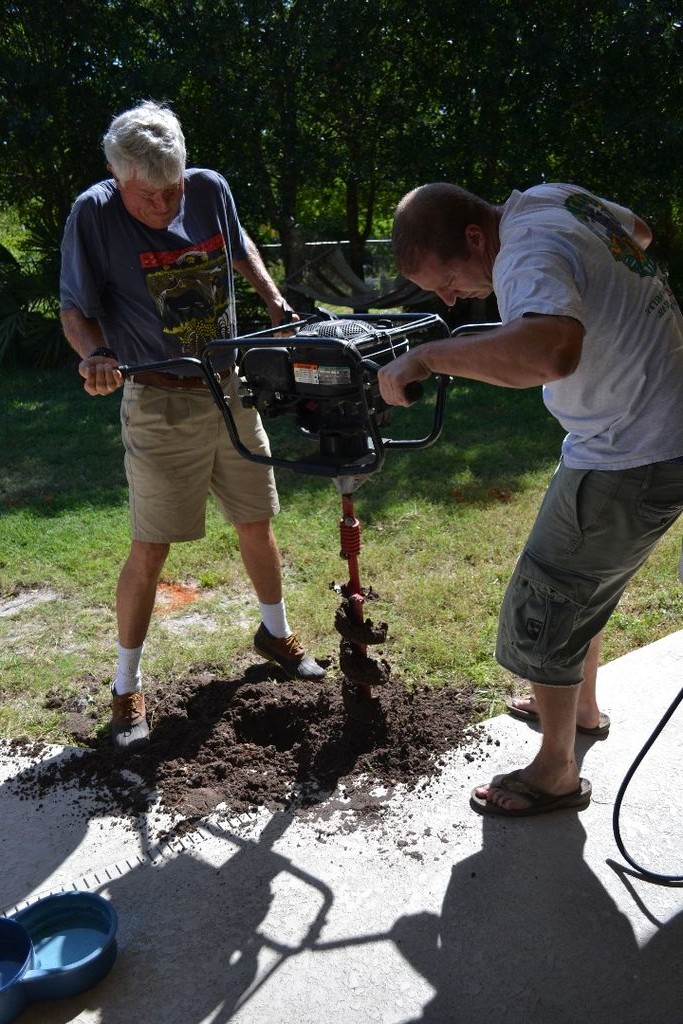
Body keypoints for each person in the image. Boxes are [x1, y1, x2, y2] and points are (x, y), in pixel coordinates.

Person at [378, 181, 683, 816]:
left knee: (543, 604)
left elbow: (550, 351)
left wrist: (428, 358)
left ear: (473, 238)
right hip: (652, 431)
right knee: (581, 586)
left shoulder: (524, 252)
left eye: (448, 278)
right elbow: (641, 230)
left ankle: (555, 773)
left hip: (632, 450)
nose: (448, 295)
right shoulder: (553, 200)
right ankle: (584, 710)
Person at [60, 100, 325, 752]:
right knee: (151, 548)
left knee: (256, 520)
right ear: (116, 176)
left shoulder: (209, 189)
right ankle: (126, 686)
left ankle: (274, 635)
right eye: (149, 196)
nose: (164, 206)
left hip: (230, 388)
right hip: (158, 401)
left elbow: (238, 248)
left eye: (172, 189)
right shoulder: (92, 214)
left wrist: (272, 299)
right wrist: (93, 356)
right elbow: (75, 307)